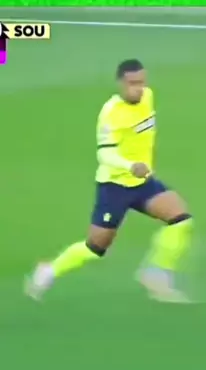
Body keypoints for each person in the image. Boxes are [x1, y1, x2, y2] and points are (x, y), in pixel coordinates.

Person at [25, 59, 193, 303]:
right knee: (95, 247)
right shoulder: (111, 113)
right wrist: (130, 165)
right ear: (120, 83)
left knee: (181, 220)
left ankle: (155, 274)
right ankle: (49, 270)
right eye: (132, 83)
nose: (138, 88)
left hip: (143, 183)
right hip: (115, 187)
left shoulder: (148, 97)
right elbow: (104, 154)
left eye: (141, 82)